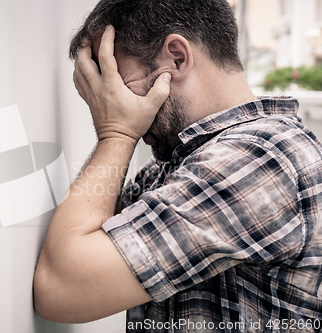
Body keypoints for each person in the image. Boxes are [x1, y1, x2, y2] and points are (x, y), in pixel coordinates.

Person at [33, 0, 322, 331]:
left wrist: (117, 133)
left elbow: (61, 288)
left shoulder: (262, 159)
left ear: (177, 58)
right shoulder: (170, 170)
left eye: (121, 86)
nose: (115, 104)